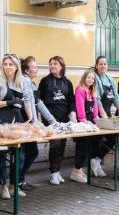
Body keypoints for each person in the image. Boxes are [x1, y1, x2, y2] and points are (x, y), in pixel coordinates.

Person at [0, 54, 34, 198]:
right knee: (2, 155)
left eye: (10, 64)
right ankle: (4, 187)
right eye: (5, 64)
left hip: (16, 120)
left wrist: (30, 119)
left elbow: (26, 102)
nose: (7, 67)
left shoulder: (22, 82)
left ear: (16, 66)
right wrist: (8, 102)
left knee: (20, 154)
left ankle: (14, 185)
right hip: (0, 120)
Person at [20, 56, 57, 190]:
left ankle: (20, 179)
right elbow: (28, 101)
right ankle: (18, 181)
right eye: (34, 67)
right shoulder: (24, 81)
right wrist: (35, 122)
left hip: (32, 124)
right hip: (25, 123)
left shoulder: (32, 83)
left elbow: (38, 102)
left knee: (31, 152)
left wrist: (52, 120)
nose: (37, 69)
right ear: (27, 70)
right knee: (26, 153)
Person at [38, 55, 77, 185]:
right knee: (55, 144)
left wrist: (72, 113)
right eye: (51, 64)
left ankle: (57, 170)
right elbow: (39, 101)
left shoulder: (67, 82)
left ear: (61, 66)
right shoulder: (45, 81)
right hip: (50, 118)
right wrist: (44, 119)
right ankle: (53, 173)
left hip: (64, 118)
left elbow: (72, 100)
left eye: (55, 63)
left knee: (62, 144)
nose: (52, 66)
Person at [71, 68, 111, 182]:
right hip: (83, 123)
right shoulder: (80, 89)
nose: (91, 79)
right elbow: (80, 107)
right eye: (89, 77)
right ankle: (76, 171)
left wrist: (96, 120)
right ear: (84, 78)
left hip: (91, 123)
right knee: (81, 147)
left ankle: (80, 170)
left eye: (93, 78)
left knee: (91, 146)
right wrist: (84, 121)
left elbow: (95, 109)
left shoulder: (92, 91)